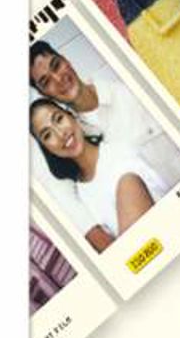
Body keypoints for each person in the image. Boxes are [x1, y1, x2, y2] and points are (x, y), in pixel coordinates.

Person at [29, 98, 171, 253]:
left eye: (59, 119)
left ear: (71, 116)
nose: (60, 133)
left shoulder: (120, 147)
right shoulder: (82, 196)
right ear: (47, 149)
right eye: (47, 135)